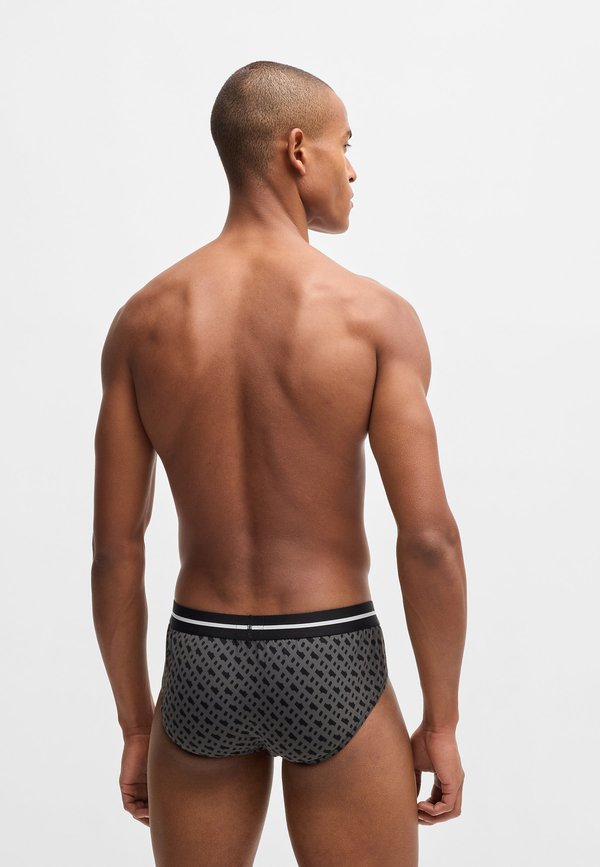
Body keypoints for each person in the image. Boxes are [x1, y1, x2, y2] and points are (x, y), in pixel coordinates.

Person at [91, 60, 467, 867]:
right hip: (331, 648)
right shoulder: (373, 318)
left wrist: (136, 724)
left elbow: (116, 550)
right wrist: (441, 719)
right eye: (345, 145)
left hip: (202, 657)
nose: (352, 169)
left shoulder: (143, 322)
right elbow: (430, 538)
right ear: (298, 150)